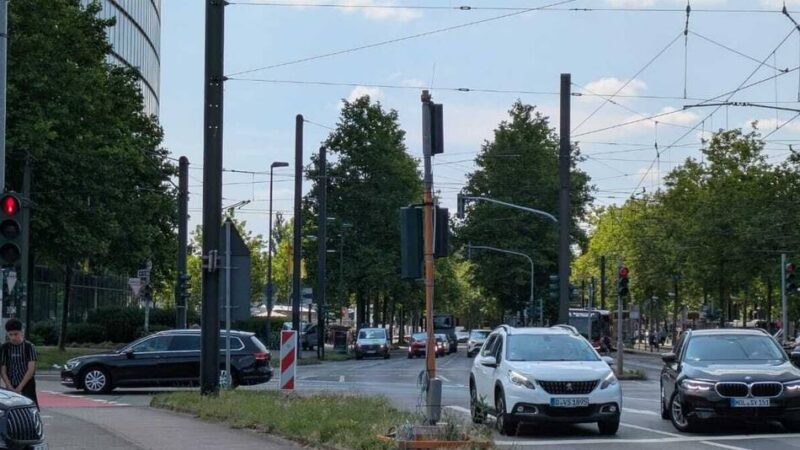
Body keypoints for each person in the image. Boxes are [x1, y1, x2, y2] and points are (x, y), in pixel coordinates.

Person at [0, 319, 38, 407]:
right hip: (11, 383)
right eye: (10, 335)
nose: (13, 337)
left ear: (22, 332)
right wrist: (9, 386)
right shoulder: (5, 348)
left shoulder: (29, 347)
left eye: (16, 334)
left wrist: (20, 387)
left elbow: (31, 369)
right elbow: (3, 369)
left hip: (27, 384)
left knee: (29, 407)